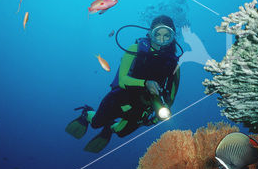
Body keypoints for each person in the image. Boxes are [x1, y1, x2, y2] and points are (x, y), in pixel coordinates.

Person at [66, 15, 181, 153]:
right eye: (157, 34)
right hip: (120, 98)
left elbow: (171, 95)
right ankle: (87, 113)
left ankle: (110, 128)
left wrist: (159, 115)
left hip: (143, 107)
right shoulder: (135, 49)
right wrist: (145, 83)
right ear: (151, 34)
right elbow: (123, 81)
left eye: (166, 36)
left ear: (172, 38)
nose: (161, 40)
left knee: (120, 133)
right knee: (96, 123)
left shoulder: (174, 64)